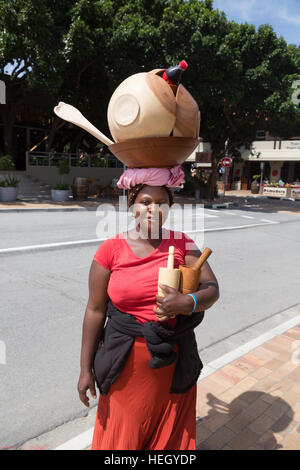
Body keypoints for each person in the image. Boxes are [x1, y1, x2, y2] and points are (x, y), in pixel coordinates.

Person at [77, 166, 220, 450]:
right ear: (132, 206)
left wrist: (186, 302)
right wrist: (84, 369)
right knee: (123, 439)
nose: (153, 209)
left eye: (161, 203)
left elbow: (211, 289)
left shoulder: (182, 243)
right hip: (123, 366)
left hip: (171, 362)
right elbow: (95, 310)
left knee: (167, 437)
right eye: (145, 202)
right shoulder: (111, 250)